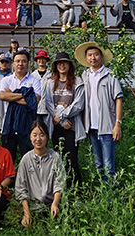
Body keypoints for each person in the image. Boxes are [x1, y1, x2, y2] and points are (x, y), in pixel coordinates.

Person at [74, 41, 123, 181]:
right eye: (89, 55)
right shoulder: (85, 75)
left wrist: (117, 124)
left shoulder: (110, 75)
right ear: (86, 58)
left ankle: (110, 199)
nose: (93, 58)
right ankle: (103, 196)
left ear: (101, 56)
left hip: (107, 127)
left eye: (96, 54)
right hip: (92, 128)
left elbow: (118, 99)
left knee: (108, 165)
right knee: (98, 164)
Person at [39, 52, 85, 185]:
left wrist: (62, 117)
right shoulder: (50, 82)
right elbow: (47, 102)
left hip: (71, 126)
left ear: (70, 65)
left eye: (65, 63)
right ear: (55, 66)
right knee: (58, 158)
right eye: (59, 63)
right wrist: (60, 120)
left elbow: (78, 104)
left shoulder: (77, 81)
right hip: (55, 126)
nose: (62, 65)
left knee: (72, 159)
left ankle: (77, 191)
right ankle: (62, 189)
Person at [15, 120, 65, 228]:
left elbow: (59, 184)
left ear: (47, 137)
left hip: (51, 205)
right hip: (33, 207)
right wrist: (27, 213)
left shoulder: (55, 157)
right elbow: (20, 188)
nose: (38, 139)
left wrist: (55, 204)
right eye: (35, 135)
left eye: (42, 135)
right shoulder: (26, 159)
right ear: (30, 137)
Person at [0, 50, 41, 160]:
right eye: (17, 61)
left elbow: (34, 101)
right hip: (9, 122)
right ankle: (10, 177)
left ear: (28, 63)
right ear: (13, 63)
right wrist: (26, 95)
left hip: (28, 123)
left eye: (23, 61)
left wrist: (12, 95)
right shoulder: (6, 80)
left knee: (28, 157)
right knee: (8, 158)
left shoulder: (35, 81)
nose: (20, 64)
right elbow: (2, 96)